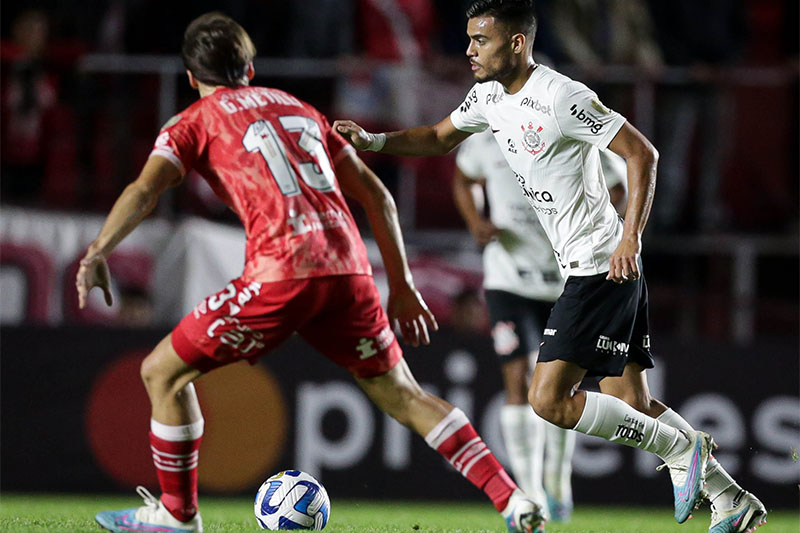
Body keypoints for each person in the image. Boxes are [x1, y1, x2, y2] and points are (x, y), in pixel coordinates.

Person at [76, 12, 545, 533]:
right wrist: (403, 285)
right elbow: (379, 196)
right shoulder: (299, 108)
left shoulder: (192, 122)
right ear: (249, 69)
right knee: (405, 396)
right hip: (349, 272)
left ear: (190, 78)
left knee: (161, 371)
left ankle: (176, 516)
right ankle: (513, 501)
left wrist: (98, 250)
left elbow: (144, 191)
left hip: (280, 272)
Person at [333, 2, 766, 532]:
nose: (468, 50)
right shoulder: (490, 97)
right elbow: (439, 137)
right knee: (630, 402)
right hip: (594, 267)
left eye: (481, 41)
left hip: (599, 266)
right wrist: (375, 141)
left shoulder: (562, 97)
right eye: (468, 39)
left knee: (548, 400)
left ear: (517, 43)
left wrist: (629, 238)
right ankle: (731, 498)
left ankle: (682, 449)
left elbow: (642, 154)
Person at [452, 128, 627, 522]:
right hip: (508, 280)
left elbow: (621, 183)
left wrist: (601, 226)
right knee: (517, 380)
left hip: (568, 280)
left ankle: (557, 476)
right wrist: (475, 220)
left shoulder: (572, 137)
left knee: (562, 386)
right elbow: (463, 178)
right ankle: (529, 493)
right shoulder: (485, 139)